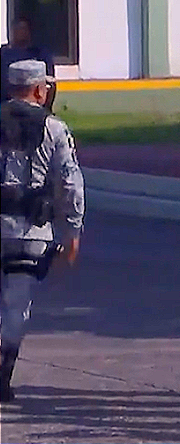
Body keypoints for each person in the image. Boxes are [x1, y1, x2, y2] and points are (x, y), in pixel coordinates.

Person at [0, 60, 84, 403]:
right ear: (39, 89)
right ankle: (2, 378)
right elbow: (69, 182)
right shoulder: (54, 128)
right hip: (31, 232)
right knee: (15, 305)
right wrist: (73, 229)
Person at [1, 18, 57, 109]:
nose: (20, 32)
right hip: (6, 101)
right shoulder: (3, 54)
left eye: (23, 29)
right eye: (17, 29)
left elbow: (50, 82)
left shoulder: (39, 54)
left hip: (35, 100)